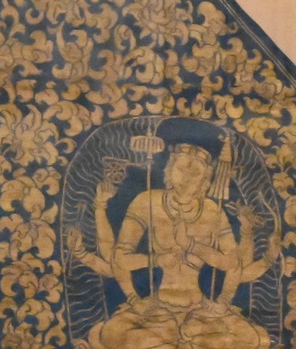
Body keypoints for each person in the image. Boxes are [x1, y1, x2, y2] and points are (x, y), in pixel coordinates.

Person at [75, 143, 270, 349]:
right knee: (114, 334)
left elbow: (232, 263)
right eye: (181, 168)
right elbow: (120, 259)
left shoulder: (212, 210)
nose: (187, 177)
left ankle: (178, 339)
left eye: (195, 173)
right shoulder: (147, 201)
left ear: (205, 179)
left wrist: (193, 247)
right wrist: (153, 265)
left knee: (247, 337)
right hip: (156, 309)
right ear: (169, 169)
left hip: (201, 310)